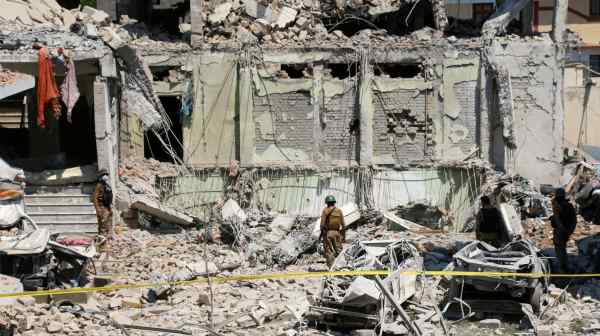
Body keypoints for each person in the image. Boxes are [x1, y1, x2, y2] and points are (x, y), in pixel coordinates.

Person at [551, 188, 577, 273]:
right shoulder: (569, 205)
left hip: (560, 231)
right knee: (562, 248)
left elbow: (558, 220)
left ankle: (563, 268)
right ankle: (565, 266)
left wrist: (562, 229)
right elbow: (574, 220)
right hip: (567, 230)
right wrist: (570, 231)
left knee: (560, 249)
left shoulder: (557, 205)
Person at [320, 195, 345, 268]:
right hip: (337, 233)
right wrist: (343, 237)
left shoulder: (325, 210)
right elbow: (343, 225)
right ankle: (342, 267)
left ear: (327, 202)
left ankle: (331, 269)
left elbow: (322, 225)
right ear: (334, 202)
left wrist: (323, 234)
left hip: (328, 233)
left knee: (329, 251)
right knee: (339, 250)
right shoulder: (339, 211)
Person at [94, 169, 113, 241]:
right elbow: (95, 198)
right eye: (103, 175)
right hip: (102, 207)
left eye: (106, 174)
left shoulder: (107, 185)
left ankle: (107, 242)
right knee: (102, 227)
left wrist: (110, 208)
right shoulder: (99, 185)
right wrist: (98, 209)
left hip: (107, 207)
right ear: (101, 176)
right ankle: (101, 245)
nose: (105, 176)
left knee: (108, 225)